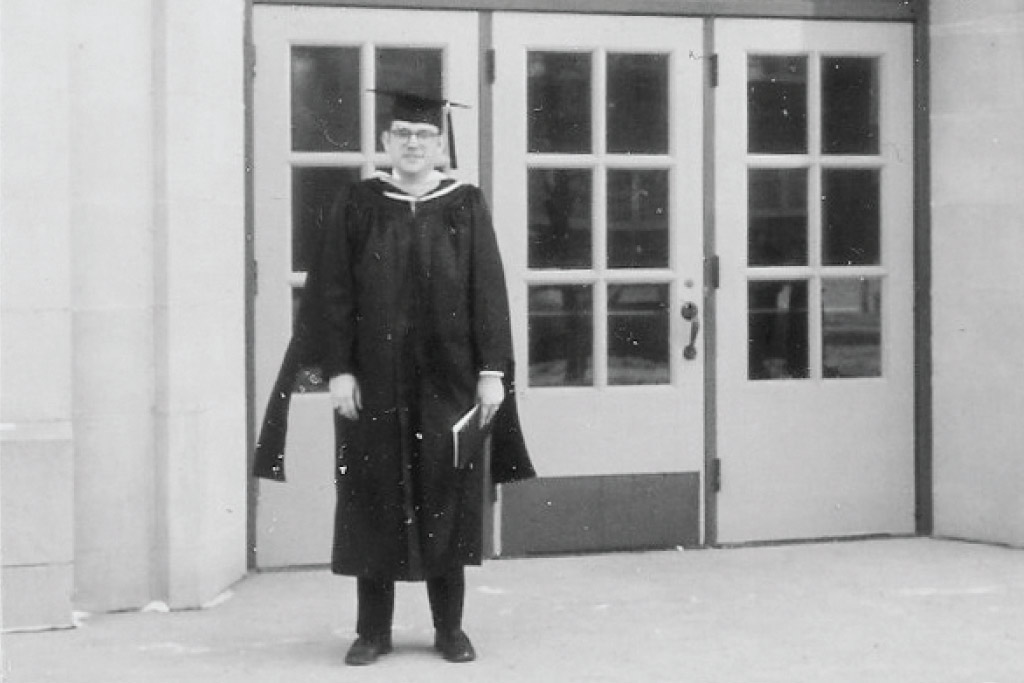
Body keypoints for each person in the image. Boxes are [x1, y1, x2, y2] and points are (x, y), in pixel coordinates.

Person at [253, 90, 535, 666]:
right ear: (385, 143)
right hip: (372, 383)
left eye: (423, 135)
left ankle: (449, 629)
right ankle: (372, 632)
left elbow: (489, 293)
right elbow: (332, 292)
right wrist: (337, 371)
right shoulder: (359, 203)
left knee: (447, 499)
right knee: (371, 497)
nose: (412, 144)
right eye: (401, 133)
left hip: (450, 381)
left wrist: (492, 374)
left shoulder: (465, 204)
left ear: (440, 146)